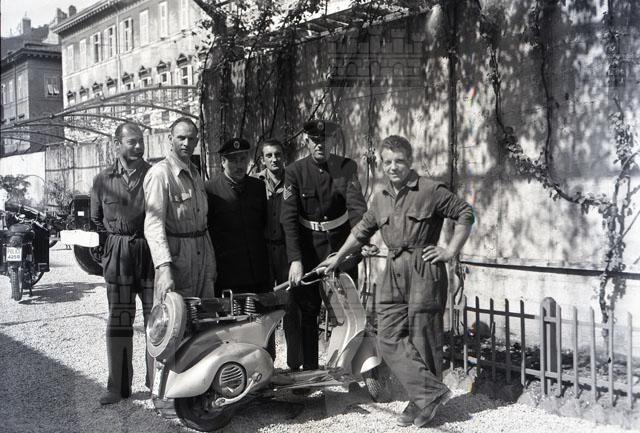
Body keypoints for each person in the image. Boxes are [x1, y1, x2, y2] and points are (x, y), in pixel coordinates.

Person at [320, 135, 475, 427]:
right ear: (381, 164)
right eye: (388, 162)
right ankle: (430, 393)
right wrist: (338, 257)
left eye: (399, 161)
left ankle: (421, 400)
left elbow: (465, 213)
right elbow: (361, 231)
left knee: (423, 336)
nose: (393, 167)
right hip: (393, 269)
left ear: (410, 161)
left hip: (424, 267)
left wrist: (450, 251)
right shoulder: (380, 198)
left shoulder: (430, 190)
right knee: (388, 336)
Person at [280, 119, 367, 371]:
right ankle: (309, 371)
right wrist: (295, 259)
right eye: (316, 140)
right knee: (308, 313)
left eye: (326, 140)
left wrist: (358, 244)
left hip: (341, 247)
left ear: (333, 141)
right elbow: (288, 218)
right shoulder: (294, 172)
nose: (321, 145)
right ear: (306, 141)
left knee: (349, 310)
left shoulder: (346, 167)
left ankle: (349, 371)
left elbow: (357, 209)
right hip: (308, 251)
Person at [90, 122, 154, 405]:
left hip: (149, 251)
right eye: (132, 142)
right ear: (117, 145)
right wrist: (109, 251)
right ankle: (118, 387)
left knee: (157, 320)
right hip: (118, 254)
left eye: (141, 141)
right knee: (119, 319)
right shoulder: (103, 180)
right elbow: (95, 220)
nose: (139, 146)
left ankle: (157, 384)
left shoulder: (154, 175)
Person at [143, 117, 216, 303]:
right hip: (177, 261)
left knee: (205, 312)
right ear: (170, 139)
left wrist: (210, 262)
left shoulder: (195, 173)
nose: (186, 143)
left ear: (197, 142)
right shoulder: (160, 174)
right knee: (176, 315)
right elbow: (153, 225)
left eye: (191, 139)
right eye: (181, 138)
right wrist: (164, 267)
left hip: (202, 256)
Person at [252, 138, 303, 370]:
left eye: (278, 155)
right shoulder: (255, 184)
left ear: (284, 157)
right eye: (269, 155)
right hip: (263, 252)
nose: (274, 159)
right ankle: (267, 364)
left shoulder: (293, 181)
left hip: (286, 251)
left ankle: (295, 364)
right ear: (262, 159)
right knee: (265, 309)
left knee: (291, 307)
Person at [205, 137, 270, 295]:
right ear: (223, 162)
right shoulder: (210, 189)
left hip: (257, 271)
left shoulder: (258, 187)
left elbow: (263, 224)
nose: (239, 165)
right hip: (228, 274)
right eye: (233, 161)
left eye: (243, 159)